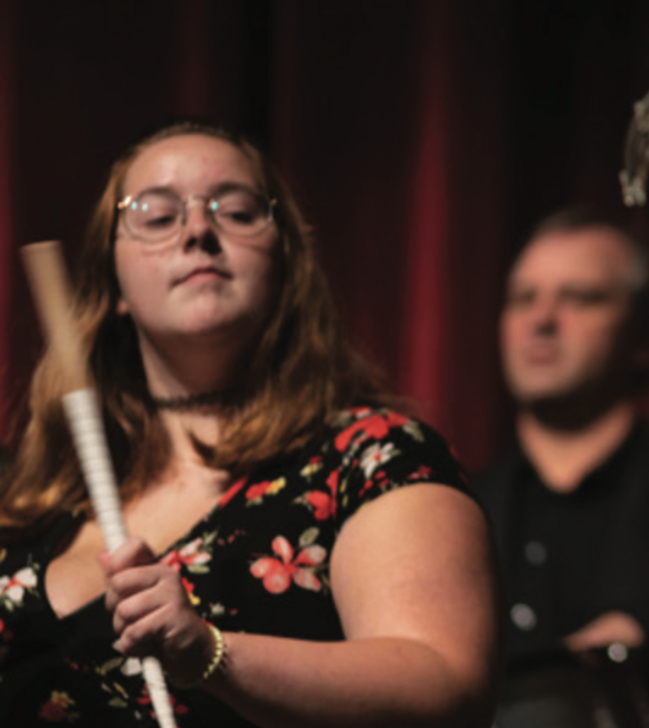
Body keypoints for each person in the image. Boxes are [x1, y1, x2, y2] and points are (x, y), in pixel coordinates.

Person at [0, 121, 500, 727]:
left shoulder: (372, 457)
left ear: (286, 265)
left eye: (236, 211)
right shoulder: (29, 493)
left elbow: (441, 681)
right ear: (113, 285)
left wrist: (211, 653)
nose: (198, 230)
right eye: (156, 217)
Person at [474, 208, 649, 727]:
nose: (542, 319)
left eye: (580, 297)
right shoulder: (453, 504)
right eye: (522, 298)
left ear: (646, 338)